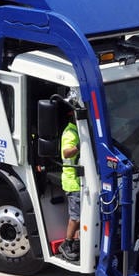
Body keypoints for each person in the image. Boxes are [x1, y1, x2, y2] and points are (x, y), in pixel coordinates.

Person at [59, 109, 80, 262]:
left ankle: (77, 243)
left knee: (82, 217)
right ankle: (67, 244)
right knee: (76, 217)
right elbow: (66, 153)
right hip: (72, 181)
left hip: (80, 182)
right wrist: (79, 146)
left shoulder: (79, 130)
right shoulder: (70, 133)